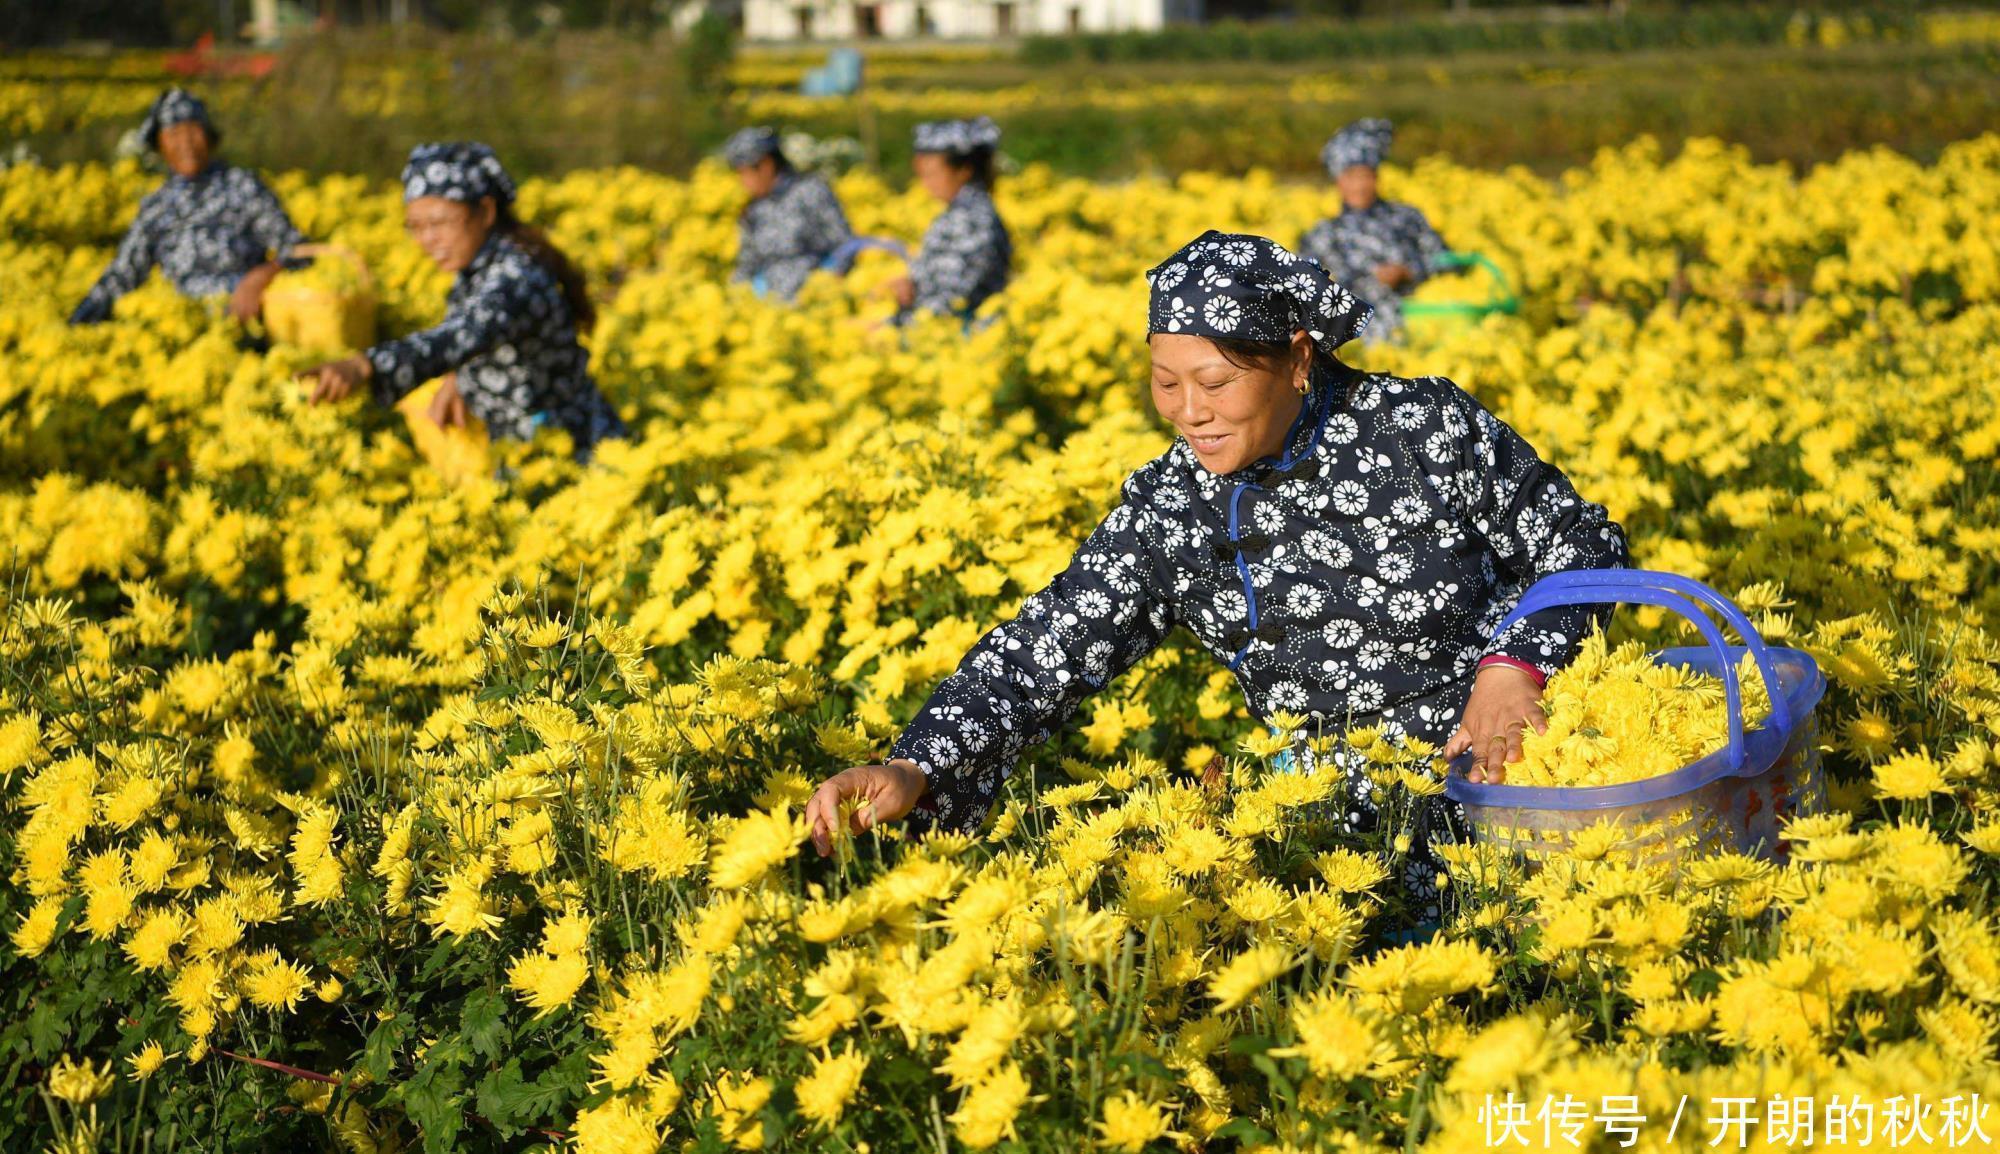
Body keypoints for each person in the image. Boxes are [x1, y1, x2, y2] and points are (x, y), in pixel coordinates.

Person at [806, 231, 1628, 919]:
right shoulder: (1178, 501)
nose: (1189, 411)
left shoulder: (1424, 426)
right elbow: (1047, 646)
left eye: (1214, 382)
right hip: (1327, 843)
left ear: (1297, 358)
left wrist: (1514, 669)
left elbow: (1584, 544)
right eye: (1166, 384)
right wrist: (918, 765)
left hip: (1517, 780)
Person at [302, 142, 626, 462]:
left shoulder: (515, 278)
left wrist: (367, 364)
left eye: (440, 223)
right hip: (522, 452)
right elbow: (490, 338)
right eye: (415, 226)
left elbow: (465, 333)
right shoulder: (479, 266)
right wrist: (464, 378)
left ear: (485, 211)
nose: (427, 240)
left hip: (573, 454)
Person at [70, 87, 306, 326]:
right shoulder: (157, 205)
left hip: (245, 320)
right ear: (159, 145)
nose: (186, 143)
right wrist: (86, 311)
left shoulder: (243, 186)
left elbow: (299, 251)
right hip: (181, 324)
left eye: (193, 130)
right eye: (173, 134)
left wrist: (261, 277)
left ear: (210, 138)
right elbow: (124, 272)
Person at [1297, 118, 1450, 342]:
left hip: (1424, 331)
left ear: (1377, 177)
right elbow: (1306, 290)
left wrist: (1408, 272)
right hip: (1351, 341)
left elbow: (1449, 262)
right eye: (1350, 176)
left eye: (1365, 175)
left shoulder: (1406, 218)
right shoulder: (1323, 234)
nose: (1359, 185)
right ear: (1338, 181)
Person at [885, 117, 1011, 322]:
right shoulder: (961, 212)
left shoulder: (972, 221)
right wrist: (911, 285)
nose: (926, 184)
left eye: (933, 175)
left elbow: (952, 302)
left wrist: (893, 326)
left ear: (964, 171)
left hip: (962, 336)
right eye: (923, 175)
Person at [726, 126, 856, 302]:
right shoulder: (753, 210)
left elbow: (845, 244)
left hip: (816, 301)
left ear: (766, 165)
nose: (743, 183)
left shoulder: (809, 191)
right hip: (768, 307)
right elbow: (747, 264)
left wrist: (828, 284)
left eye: (745, 173)